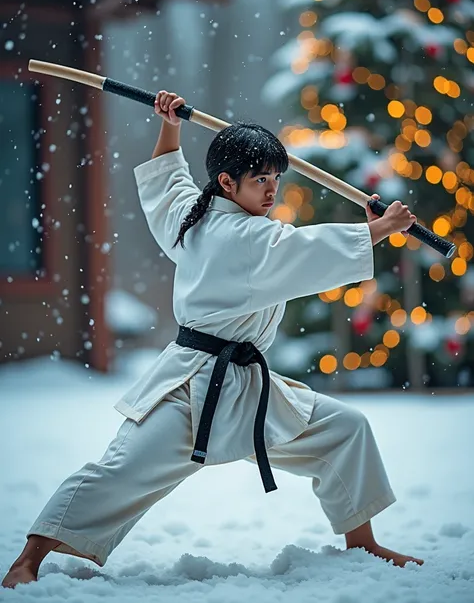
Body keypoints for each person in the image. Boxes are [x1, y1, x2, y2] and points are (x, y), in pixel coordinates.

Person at [2, 91, 423, 589]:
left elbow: (167, 182)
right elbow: (307, 250)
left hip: (247, 385)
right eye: (259, 180)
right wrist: (381, 229)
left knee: (345, 429)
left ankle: (363, 543)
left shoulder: (195, 216)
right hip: (194, 388)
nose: (271, 191)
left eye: (275, 179)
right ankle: (27, 559)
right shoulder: (244, 238)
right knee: (119, 471)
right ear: (227, 182)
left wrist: (170, 126)